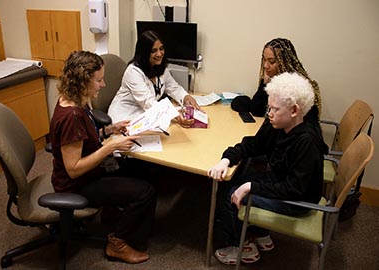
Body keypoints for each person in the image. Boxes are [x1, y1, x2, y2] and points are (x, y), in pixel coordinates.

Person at [208, 72, 327, 265]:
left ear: (295, 110)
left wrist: (250, 187)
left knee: (230, 192)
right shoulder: (280, 125)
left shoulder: (307, 141)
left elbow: (296, 189)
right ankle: (260, 233)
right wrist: (226, 160)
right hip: (282, 183)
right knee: (239, 180)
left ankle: (241, 247)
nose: (269, 114)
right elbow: (253, 144)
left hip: (297, 200)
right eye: (269, 108)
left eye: (274, 109)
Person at [50, 50, 157, 264]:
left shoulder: (75, 101)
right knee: (145, 192)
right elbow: (74, 168)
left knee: (144, 170)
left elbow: (83, 140)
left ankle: (113, 214)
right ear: (82, 81)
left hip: (91, 173)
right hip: (77, 184)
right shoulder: (72, 116)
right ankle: (118, 244)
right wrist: (109, 148)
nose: (104, 84)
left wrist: (109, 131)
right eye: (98, 80)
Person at [108, 30, 200, 128]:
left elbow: (173, 87)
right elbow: (148, 102)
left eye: (161, 49)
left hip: (145, 115)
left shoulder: (160, 67)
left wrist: (186, 97)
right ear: (144, 52)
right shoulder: (133, 72)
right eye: (153, 51)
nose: (159, 54)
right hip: (124, 118)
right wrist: (174, 114)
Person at [231, 38, 322, 122]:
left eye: (272, 61)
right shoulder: (273, 80)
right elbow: (257, 110)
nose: (266, 66)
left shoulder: (297, 88)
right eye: (264, 60)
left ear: (285, 62)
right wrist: (265, 84)